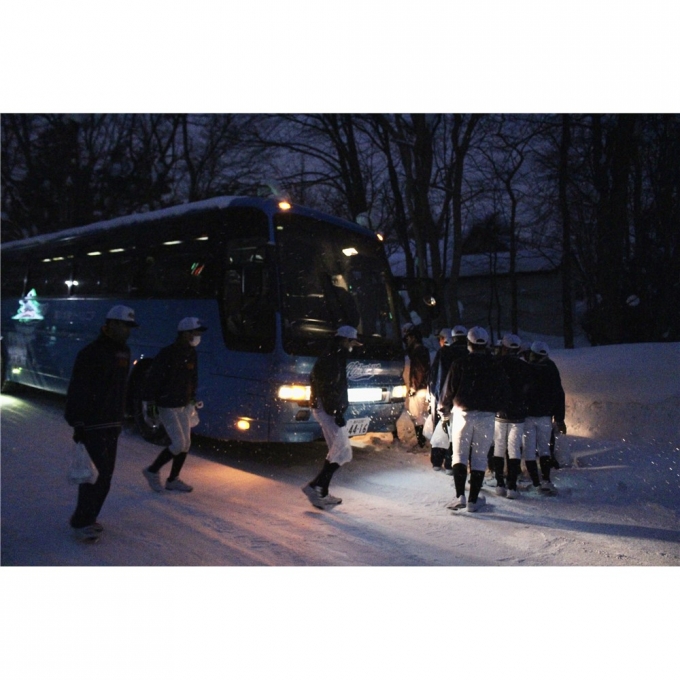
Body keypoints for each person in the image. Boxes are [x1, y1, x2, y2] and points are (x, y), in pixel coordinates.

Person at [64, 305, 139, 542]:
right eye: (124, 325)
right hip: (93, 424)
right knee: (94, 476)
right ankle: (81, 522)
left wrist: (124, 413)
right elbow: (78, 388)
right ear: (111, 324)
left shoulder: (124, 352)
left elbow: (121, 387)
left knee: (105, 476)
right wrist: (78, 422)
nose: (127, 330)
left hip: (112, 423)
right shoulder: (91, 353)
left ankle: (89, 517)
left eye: (130, 326)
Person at [440, 326, 510, 513]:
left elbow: (449, 389)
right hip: (486, 416)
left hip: (462, 413)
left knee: (459, 455)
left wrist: (444, 408)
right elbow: (504, 391)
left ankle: (459, 496)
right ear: (486, 344)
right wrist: (498, 407)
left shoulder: (460, 363)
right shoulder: (495, 365)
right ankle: (473, 500)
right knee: (479, 457)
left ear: (469, 343)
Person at [141, 317, 207, 493]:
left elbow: (192, 377)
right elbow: (153, 379)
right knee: (178, 444)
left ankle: (173, 479)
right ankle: (152, 471)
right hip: (167, 404)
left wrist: (191, 398)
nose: (197, 336)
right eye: (195, 333)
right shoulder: (168, 353)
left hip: (183, 404)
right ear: (185, 333)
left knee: (186, 444)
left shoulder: (191, 353)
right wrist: (150, 403)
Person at [302, 326, 362, 509]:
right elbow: (328, 389)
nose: (352, 347)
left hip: (327, 409)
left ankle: (321, 491)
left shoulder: (333, 355)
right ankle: (315, 487)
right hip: (328, 410)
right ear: (345, 340)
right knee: (342, 450)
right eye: (352, 343)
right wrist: (336, 412)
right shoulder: (331, 358)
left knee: (338, 451)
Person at [523, 341, 567, 495]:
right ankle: (546, 480)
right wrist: (559, 418)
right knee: (545, 449)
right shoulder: (551, 368)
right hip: (546, 417)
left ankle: (535, 483)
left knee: (529, 450)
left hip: (528, 416)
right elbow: (559, 394)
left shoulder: (526, 368)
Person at [492, 334, 533, 499]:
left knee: (499, 446)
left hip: (500, 412)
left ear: (504, 347)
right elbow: (528, 390)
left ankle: (499, 483)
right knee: (514, 448)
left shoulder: (496, 364)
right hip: (518, 414)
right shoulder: (525, 367)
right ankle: (512, 485)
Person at [428, 328, 456, 471]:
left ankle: (437, 461)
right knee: (453, 432)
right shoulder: (462, 353)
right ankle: (450, 461)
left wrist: (434, 395)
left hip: (442, 398)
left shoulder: (442, 353)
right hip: (456, 400)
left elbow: (436, 377)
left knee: (441, 429)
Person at [402, 322, 431, 448]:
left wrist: (414, 386)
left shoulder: (416, 352)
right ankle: (424, 440)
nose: (407, 341)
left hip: (418, 388)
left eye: (408, 338)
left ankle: (421, 442)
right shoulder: (424, 350)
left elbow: (418, 370)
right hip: (425, 387)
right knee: (423, 415)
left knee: (416, 416)